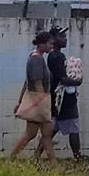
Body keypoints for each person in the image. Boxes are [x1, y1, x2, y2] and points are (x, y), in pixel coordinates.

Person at [35, 27, 84, 161]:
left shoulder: (56, 56)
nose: (65, 39)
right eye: (62, 36)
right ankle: (78, 160)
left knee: (51, 131)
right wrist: (77, 81)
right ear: (54, 39)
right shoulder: (56, 56)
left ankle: (36, 158)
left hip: (59, 100)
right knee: (73, 129)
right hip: (64, 100)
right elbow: (63, 78)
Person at [9, 32, 57, 165]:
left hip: (37, 102)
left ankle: (54, 166)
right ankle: (10, 160)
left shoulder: (35, 57)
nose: (51, 46)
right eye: (49, 43)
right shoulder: (37, 59)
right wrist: (42, 105)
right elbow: (37, 83)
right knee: (41, 134)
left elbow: (26, 83)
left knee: (40, 135)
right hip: (39, 103)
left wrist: (20, 102)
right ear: (42, 44)